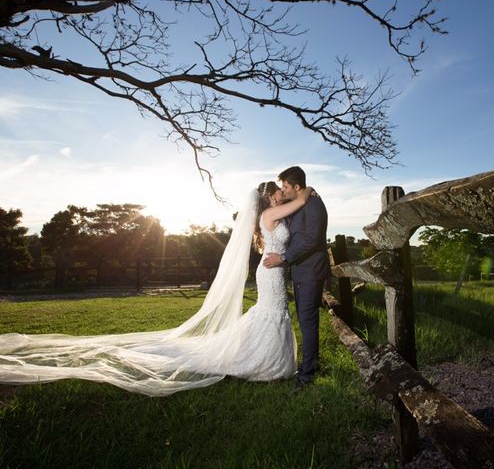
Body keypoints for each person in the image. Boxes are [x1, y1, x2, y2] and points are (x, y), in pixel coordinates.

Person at [0, 182, 312, 396]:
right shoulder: (271, 214)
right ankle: (263, 363)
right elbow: (299, 201)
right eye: (275, 192)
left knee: (271, 314)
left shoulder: (266, 215)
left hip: (271, 271)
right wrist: (305, 191)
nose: (278, 196)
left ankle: (268, 360)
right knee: (271, 314)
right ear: (267, 199)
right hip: (271, 274)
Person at [263, 166, 330, 391]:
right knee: (305, 320)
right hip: (301, 271)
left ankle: (307, 375)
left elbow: (311, 239)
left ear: (297, 187)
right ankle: (310, 365)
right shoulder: (301, 202)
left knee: (308, 322)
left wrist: (283, 257)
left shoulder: (314, 205)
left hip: (311, 271)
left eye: (285, 186)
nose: (283, 190)